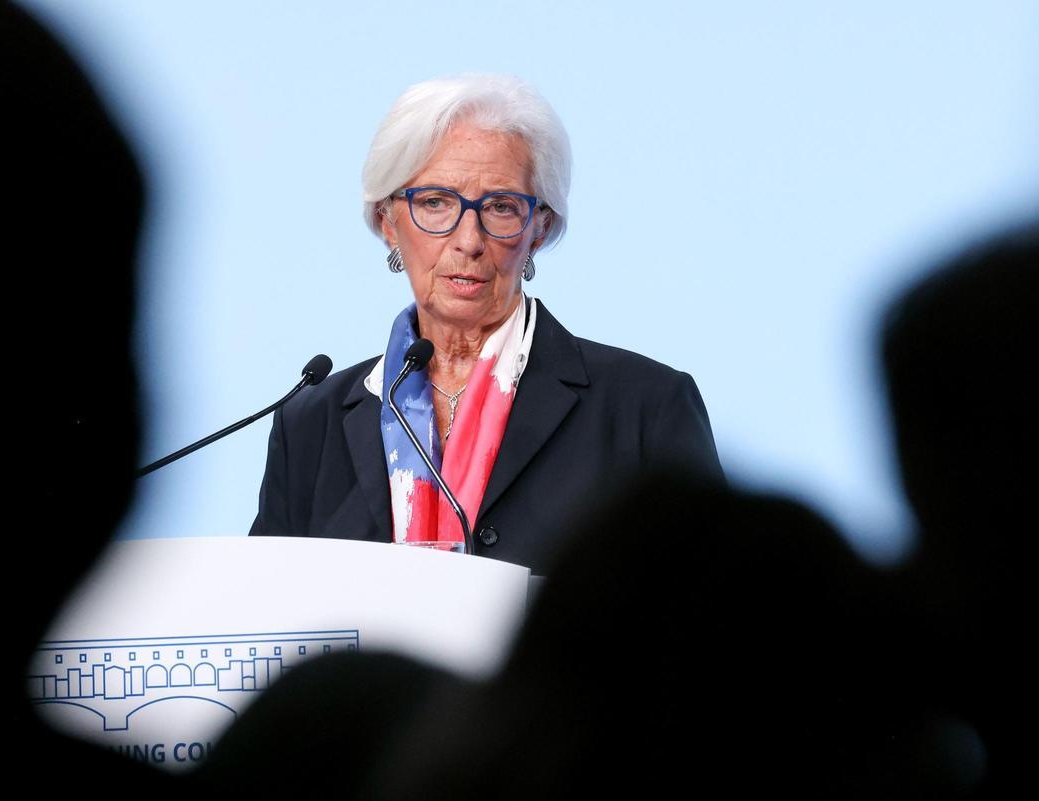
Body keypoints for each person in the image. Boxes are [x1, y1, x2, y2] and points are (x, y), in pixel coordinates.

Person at [250, 75, 724, 574]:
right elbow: (263, 617)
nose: (468, 241)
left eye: (500, 207)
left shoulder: (644, 407)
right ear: (389, 221)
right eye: (436, 202)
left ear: (538, 228)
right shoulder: (310, 424)